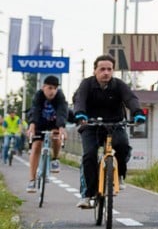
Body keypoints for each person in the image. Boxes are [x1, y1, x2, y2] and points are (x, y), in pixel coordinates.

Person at [72, 55, 146, 208]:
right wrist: (80, 113)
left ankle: (118, 175)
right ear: (95, 71)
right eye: (102, 69)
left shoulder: (119, 85)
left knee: (123, 146)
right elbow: (80, 100)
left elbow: (131, 98)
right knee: (89, 154)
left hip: (115, 123)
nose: (106, 72)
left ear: (113, 71)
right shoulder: (86, 84)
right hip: (91, 125)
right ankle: (87, 195)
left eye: (109, 69)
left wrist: (137, 112)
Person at [26, 75, 69, 191]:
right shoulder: (38, 95)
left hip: (54, 122)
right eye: (50, 88)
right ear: (43, 87)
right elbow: (34, 110)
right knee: (36, 146)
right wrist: (32, 125)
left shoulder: (60, 96)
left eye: (55, 88)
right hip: (39, 122)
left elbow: (62, 111)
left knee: (56, 136)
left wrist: (61, 127)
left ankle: (55, 159)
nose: (52, 91)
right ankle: (32, 180)